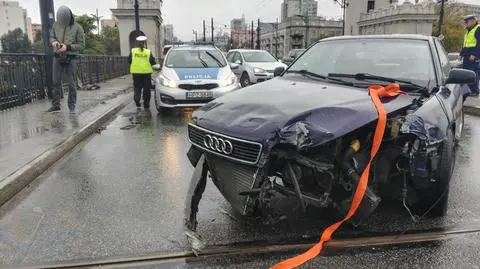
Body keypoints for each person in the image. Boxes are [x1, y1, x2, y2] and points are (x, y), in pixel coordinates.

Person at [47, 5, 85, 113]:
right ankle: (56, 105)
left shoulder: (78, 27)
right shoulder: (56, 25)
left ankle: (71, 106)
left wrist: (68, 47)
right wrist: (54, 42)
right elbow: (51, 37)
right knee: (55, 81)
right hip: (57, 56)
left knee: (72, 83)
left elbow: (82, 45)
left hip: (71, 57)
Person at [128, 36, 157, 109]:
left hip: (136, 74)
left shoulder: (133, 51)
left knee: (137, 88)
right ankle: (146, 103)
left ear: (137, 43)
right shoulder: (148, 52)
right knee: (146, 89)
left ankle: (137, 100)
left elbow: (128, 61)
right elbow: (153, 62)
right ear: (144, 43)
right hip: (146, 74)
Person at [460, 14, 480, 97]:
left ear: (472, 21)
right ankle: (468, 90)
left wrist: (474, 54)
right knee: (466, 73)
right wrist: (461, 54)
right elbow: (466, 43)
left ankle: (474, 90)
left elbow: (479, 43)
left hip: (472, 56)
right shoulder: (469, 30)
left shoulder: (478, 29)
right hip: (467, 55)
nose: (465, 24)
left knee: (473, 72)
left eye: (466, 22)